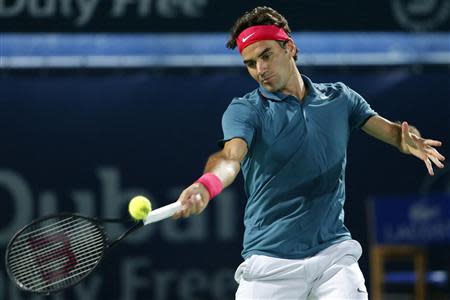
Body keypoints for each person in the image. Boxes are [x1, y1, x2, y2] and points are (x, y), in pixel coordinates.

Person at [174, 6, 446, 300]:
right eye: (250, 63)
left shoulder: (340, 99)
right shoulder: (245, 110)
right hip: (270, 262)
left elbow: (395, 132)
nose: (260, 69)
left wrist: (409, 139)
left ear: (289, 47)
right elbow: (230, 159)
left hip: (333, 256)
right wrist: (206, 186)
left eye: (266, 55)